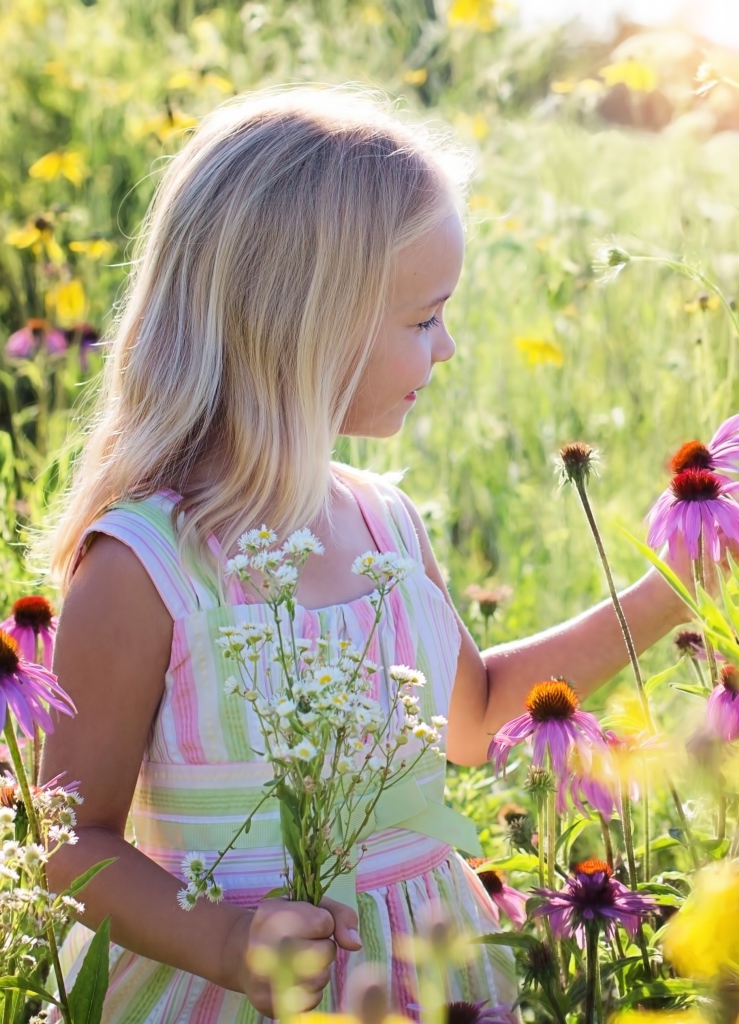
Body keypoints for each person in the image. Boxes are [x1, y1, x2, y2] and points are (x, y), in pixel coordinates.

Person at [35, 85, 695, 1022]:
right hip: (225, 992)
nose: (450, 346)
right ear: (304, 330)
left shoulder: (387, 524)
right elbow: (70, 843)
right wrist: (225, 941)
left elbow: (473, 720)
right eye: (425, 319)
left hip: (432, 975)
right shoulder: (146, 567)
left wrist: (669, 592)